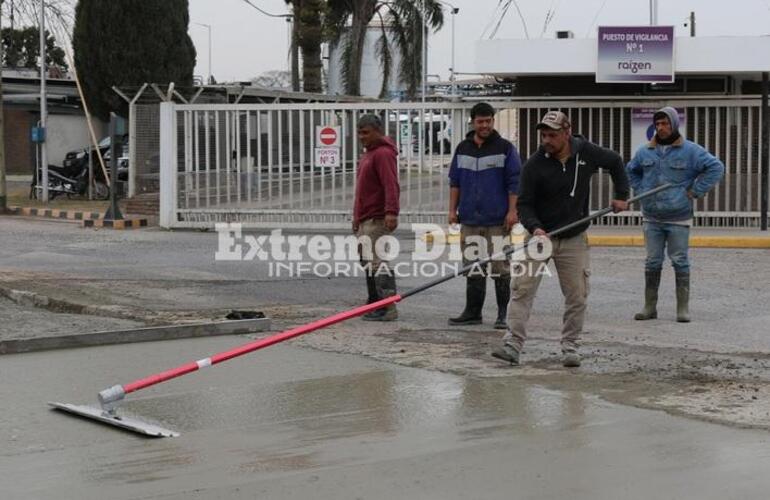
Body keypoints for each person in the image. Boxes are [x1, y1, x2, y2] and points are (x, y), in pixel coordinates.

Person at [492, 111, 630, 368]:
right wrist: (535, 229)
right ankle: (512, 345)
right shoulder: (534, 164)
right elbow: (524, 203)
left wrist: (621, 194)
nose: (547, 140)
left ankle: (570, 347)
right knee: (521, 289)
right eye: (543, 135)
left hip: (574, 237)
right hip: (540, 236)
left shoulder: (586, 152)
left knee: (577, 295)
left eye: (552, 135)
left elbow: (615, 162)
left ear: (567, 133)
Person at [626, 107, 724, 323]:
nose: (661, 128)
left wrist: (696, 191)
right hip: (651, 217)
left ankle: (682, 308)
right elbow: (630, 170)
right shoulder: (644, 152)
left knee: (680, 261)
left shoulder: (691, 151)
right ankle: (649, 306)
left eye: (665, 124)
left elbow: (716, 167)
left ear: (674, 125)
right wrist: (640, 190)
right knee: (652, 262)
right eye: (658, 124)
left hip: (678, 217)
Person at [447, 102, 522, 329]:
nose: (485, 125)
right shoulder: (462, 148)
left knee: (500, 268)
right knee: (472, 267)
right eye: (481, 121)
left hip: (497, 221)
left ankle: (503, 315)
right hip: (469, 220)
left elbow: (515, 182)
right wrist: (452, 210)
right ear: (473, 122)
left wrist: (512, 211)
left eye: (489, 120)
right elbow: (455, 182)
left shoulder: (505, 148)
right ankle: (473, 312)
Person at [352, 114, 400, 321]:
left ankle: (387, 307)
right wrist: (356, 217)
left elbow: (391, 185)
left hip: (377, 217)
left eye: (366, 132)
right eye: (359, 133)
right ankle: (373, 301)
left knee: (377, 262)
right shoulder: (368, 155)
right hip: (365, 217)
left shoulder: (382, 154)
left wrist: (391, 212)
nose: (362, 137)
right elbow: (361, 190)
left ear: (377, 131)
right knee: (367, 261)